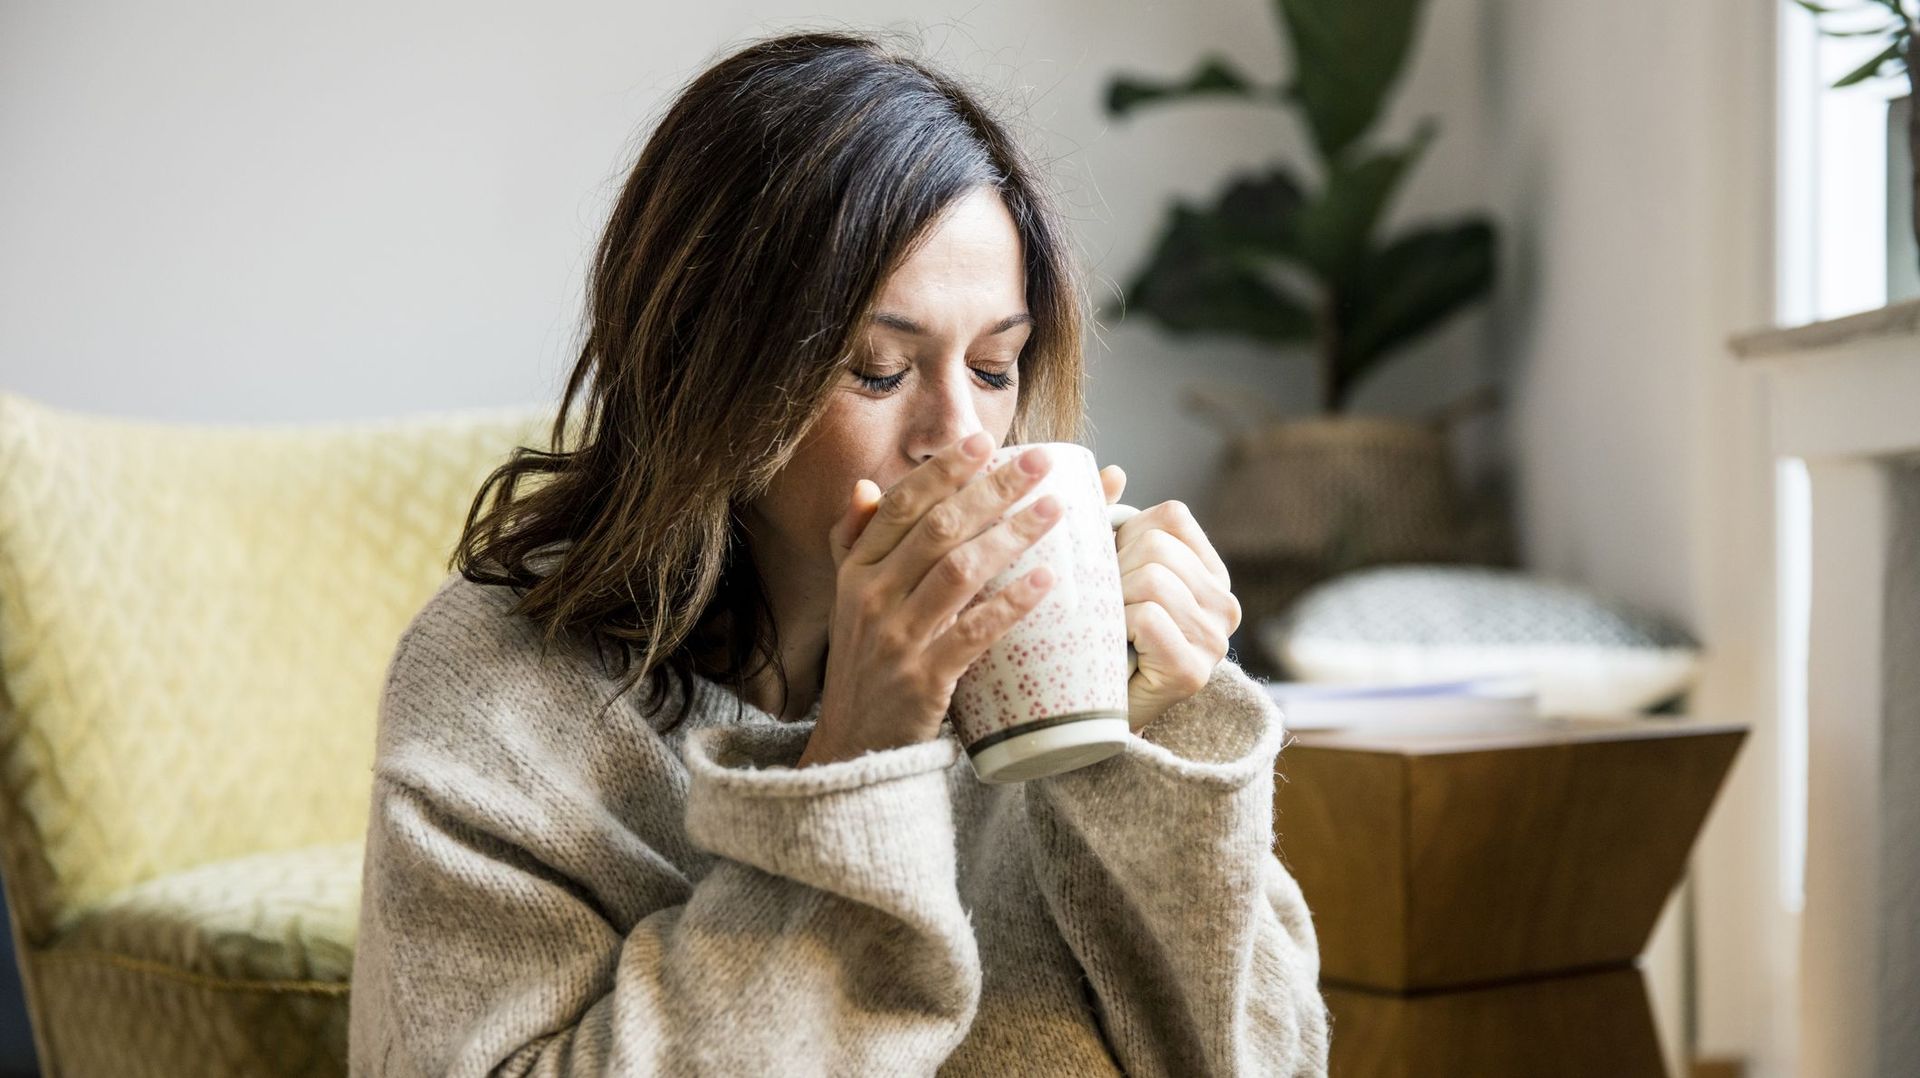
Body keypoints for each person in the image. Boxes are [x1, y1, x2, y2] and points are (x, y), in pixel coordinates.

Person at [347, 28, 1329, 1077]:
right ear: (705, 367)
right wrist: (857, 764)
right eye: (875, 368)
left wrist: (1148, 746)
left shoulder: (1048, 656)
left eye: (996, 366)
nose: (959, 437)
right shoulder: (500, 694)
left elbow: (1260, 1060)